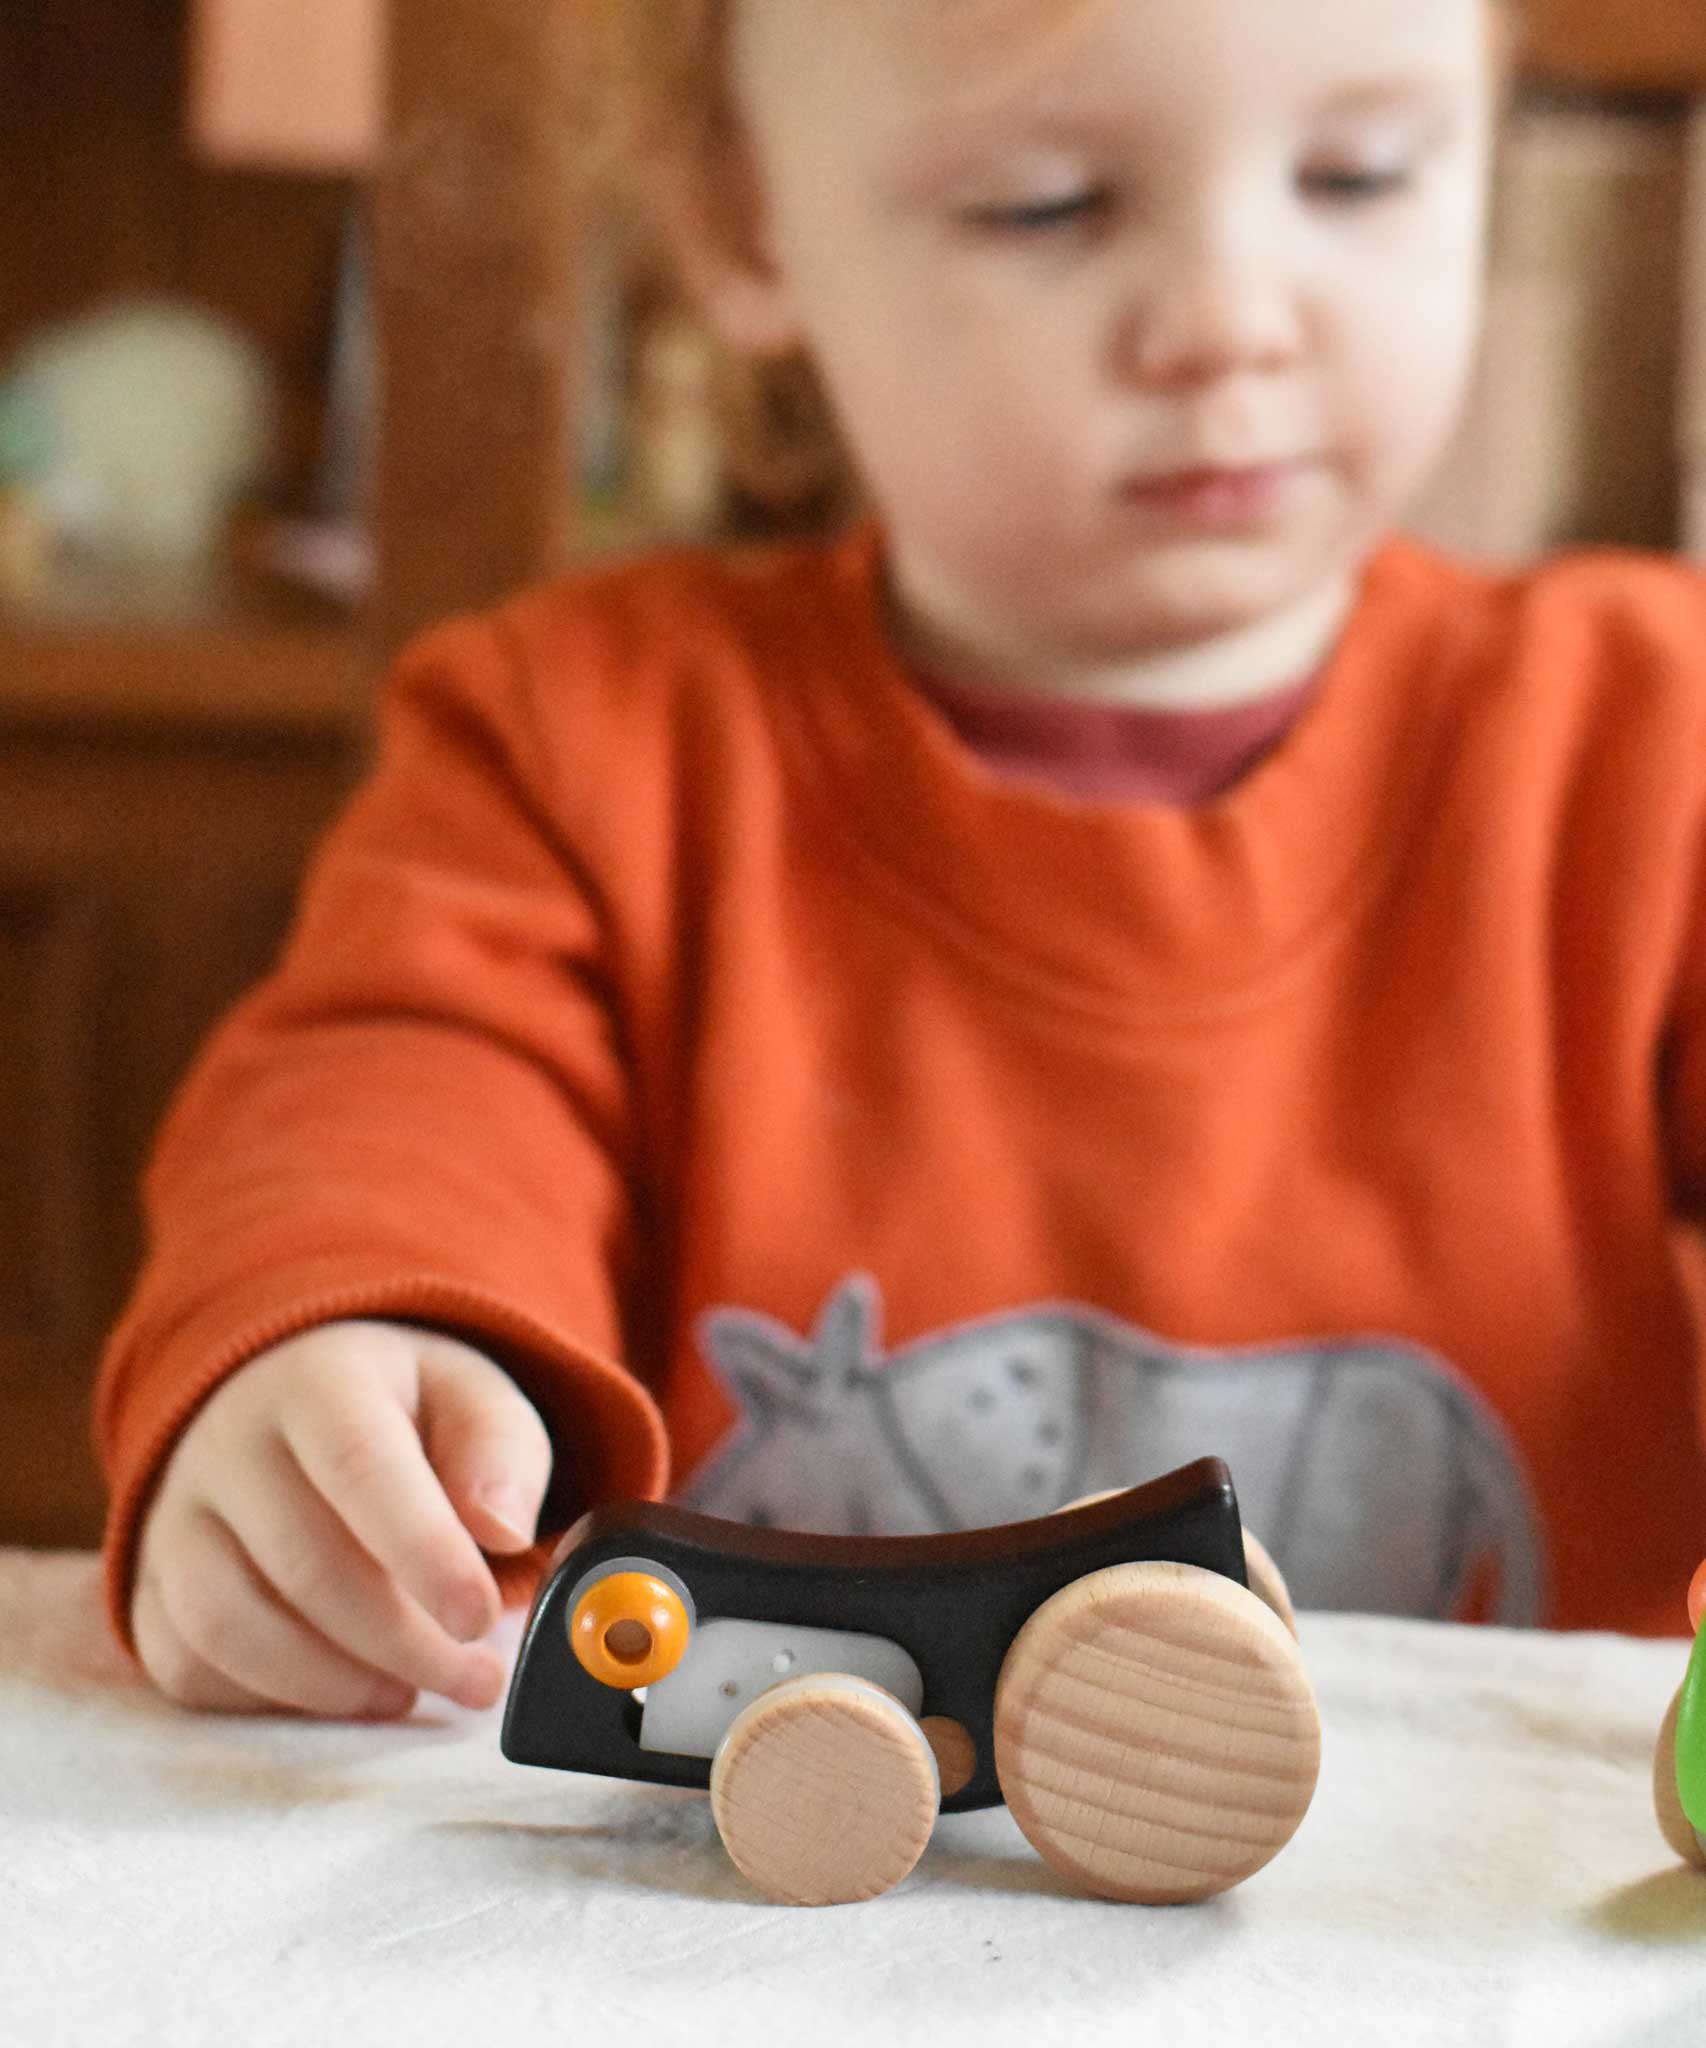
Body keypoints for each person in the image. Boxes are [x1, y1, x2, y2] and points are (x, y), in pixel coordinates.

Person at [98, 0, 1706, 1723]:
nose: (1229, 322)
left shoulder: (1653, 739)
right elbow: (396, 1094)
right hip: (772, 1910)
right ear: (741, 219)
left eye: (1357, 173)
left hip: (1461, 1929)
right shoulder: (569, 746)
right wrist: (341, 1365)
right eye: (1046, 204)